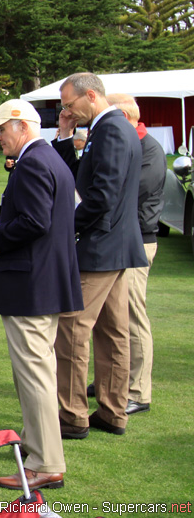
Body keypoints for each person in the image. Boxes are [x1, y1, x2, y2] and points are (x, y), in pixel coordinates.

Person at [0, 99, 82, 492]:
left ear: (23, 127)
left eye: (2, 129)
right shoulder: (47, 159)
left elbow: (35, 222)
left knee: (34, 375)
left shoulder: (34, 162)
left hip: (32, 283)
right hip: (41, 280)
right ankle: (37, 448)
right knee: (36, 371)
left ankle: (46, 462)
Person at [52, 72, 147, 438]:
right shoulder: (109, 127)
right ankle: (111, 410)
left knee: (73, 328)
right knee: (113, 333)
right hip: (114, 244)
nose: (68, 111)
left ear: (90, 96)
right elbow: (79, 177)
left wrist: (68, 225)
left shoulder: (109, 129)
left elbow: (102, 196)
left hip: (100, 247)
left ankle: (73, 416)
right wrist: (63, 137)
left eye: (70, 105)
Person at [105, 94, 166, 416]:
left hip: (138, 241)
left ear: (125, 117)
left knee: (132, 316)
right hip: (120, 240)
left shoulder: (149, 149)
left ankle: (139, 390)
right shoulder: (131, 144)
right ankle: (113, 381)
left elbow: (124, 194)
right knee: (113, 317)